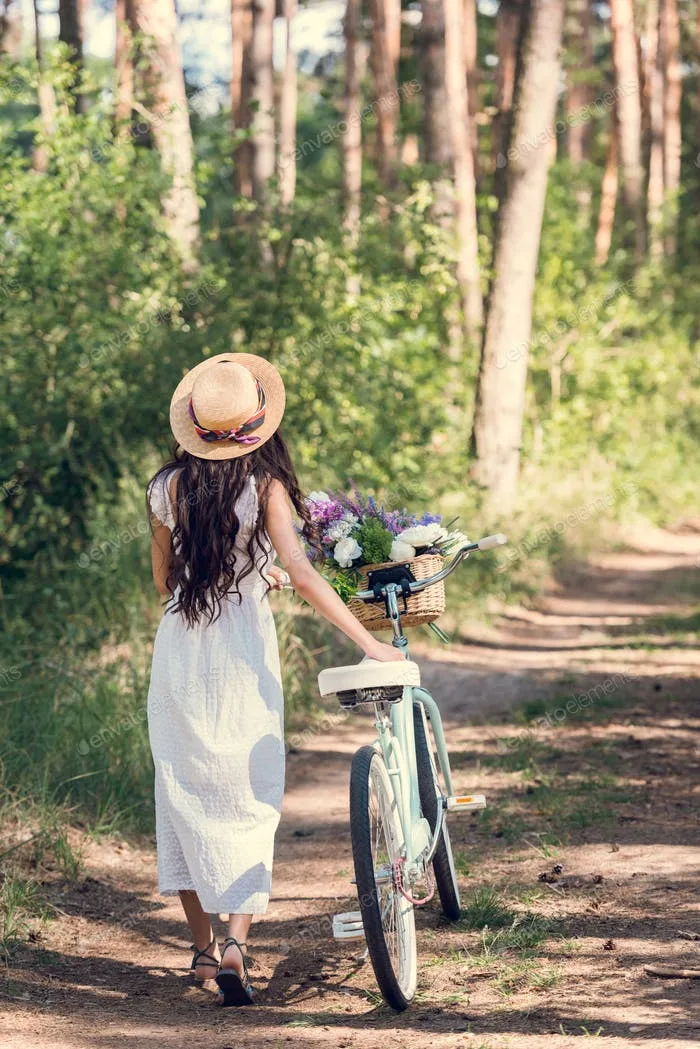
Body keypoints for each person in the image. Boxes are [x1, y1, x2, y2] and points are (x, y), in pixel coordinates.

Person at [146, 352, 403, 1006]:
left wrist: (230, 576)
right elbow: (307, 573)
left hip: (181, 649)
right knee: (249, 791)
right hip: (242, 652)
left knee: (182, 792)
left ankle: (202, 950)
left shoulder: (164, 488)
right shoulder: (265, 489)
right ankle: (235, 941)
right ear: (256, 426)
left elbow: (165, 582)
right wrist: (369, 640)